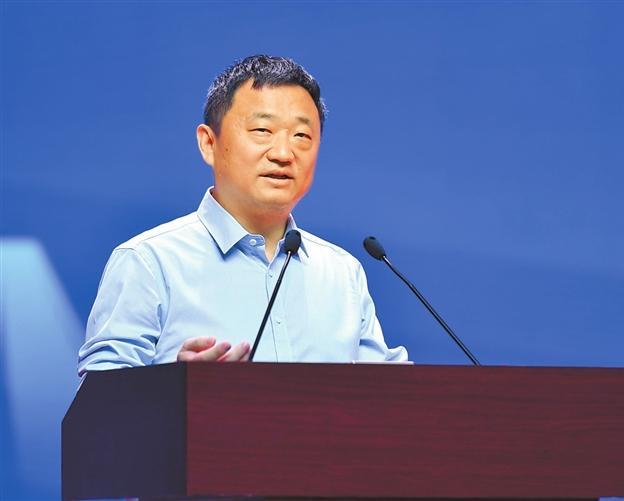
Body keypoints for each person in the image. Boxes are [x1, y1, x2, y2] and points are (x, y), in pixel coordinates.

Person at [77, 55, 407, 375]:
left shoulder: (343, 273)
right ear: (208, 143)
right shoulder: (149, 263)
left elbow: (389, 397)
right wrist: (176, 388)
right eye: (262, 130)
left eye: (302, 136)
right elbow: (99, 405)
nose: (283, 153)